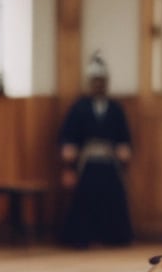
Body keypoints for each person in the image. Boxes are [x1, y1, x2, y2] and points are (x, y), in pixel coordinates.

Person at [57, 52, 133, 247]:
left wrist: (124, 149)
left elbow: (124, 137)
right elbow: (69, 135)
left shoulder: (115, 108)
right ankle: (82, 237)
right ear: (89, 83)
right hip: (87, 162)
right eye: (95, 81)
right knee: (84, 199)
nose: (98, 85)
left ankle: (114, 237)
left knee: (113, 197)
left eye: (101, 81)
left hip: (109, 162)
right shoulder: (79, 107)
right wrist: (68, 164)